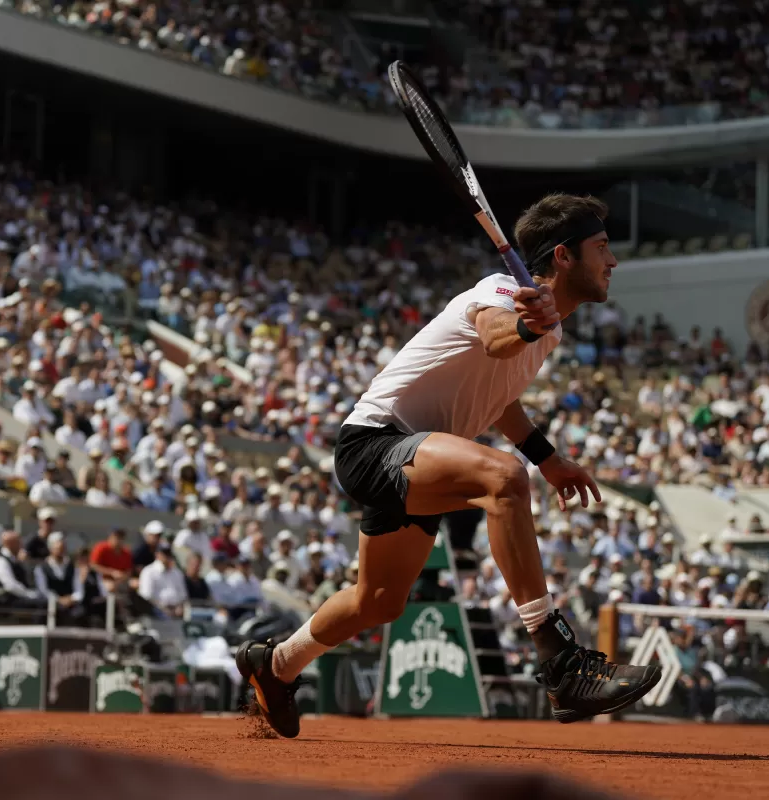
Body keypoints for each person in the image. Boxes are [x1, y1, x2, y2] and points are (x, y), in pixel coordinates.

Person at [234, 193, 658, 738]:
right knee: (502, 479)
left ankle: (276, 664)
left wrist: (549, 459)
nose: (613, 261)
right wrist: (525, 328)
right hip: (375, 442)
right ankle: (559, 659)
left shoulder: (550, 329)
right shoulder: (501, 291)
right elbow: (496, 337)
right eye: (602, 247)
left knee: (380, 601)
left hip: (418, 457)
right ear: (563, 257)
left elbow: (499, 395)